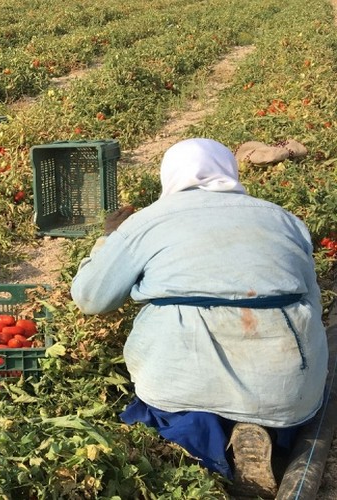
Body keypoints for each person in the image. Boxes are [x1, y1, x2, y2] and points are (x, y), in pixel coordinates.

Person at [69, 138, 328, 498]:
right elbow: (311, 300)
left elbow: (91, 298)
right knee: (280, 404)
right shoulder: (284, 219)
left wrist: (108, 240)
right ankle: (262, 431)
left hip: (183, 375)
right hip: (285, 380)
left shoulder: (147, 222)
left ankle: (207, 447)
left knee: (175, 412)